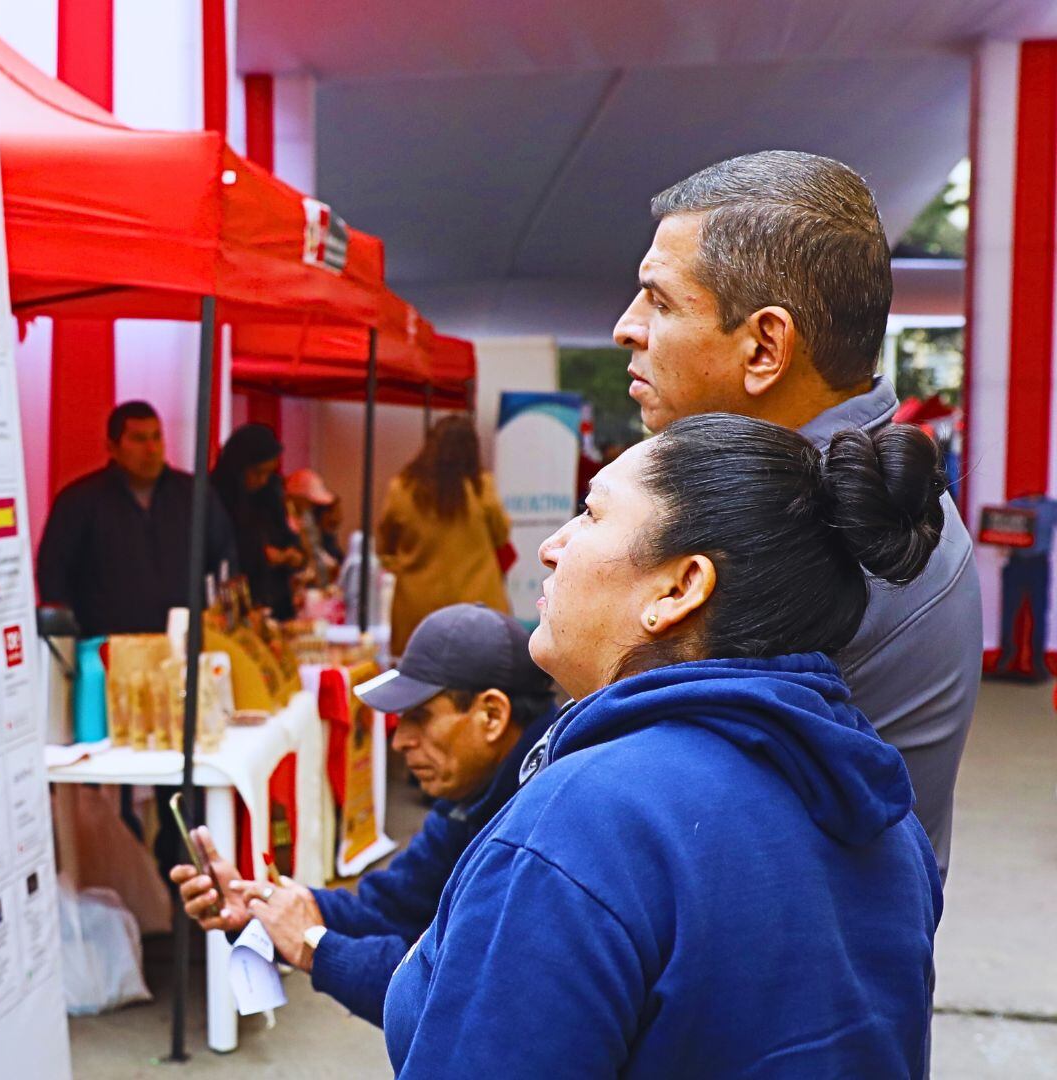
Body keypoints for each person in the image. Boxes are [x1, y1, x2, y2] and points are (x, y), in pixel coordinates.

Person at [384, 414, 945, 1077]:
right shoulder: (885, 813)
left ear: (679, 589)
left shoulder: (584, 824)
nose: (553, 546)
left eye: (591, 515)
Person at [615, 150, 980, 874]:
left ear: (765, 347)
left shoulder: (806, 533)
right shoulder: (868, 493)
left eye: (659, 301)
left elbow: (646, 790)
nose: (627, 327)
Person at [168, 604, 557, 1027]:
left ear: (492, 715)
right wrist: (267, 905)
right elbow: (390, 907)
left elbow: (451, 988)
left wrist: (311, 944)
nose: (400, 741)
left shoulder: (542, 824)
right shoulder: (475, 796)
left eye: (420, 717)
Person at [35, 401, 236, 637]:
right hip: (107, 648)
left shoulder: (195, 495)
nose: (151, 449)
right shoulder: (80, 501)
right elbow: (53, 572)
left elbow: (225, 561)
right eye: (139, 439)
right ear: (112, 447)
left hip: (183, 644)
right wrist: (71, 638)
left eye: (157, 437)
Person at [375, 415, 514, 653]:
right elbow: (501, 534)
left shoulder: (402, 489)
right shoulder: (482, 487)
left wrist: (401, 564)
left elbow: (384, 546)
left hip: (417, 613)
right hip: (479, 610)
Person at [210, 424, 303, 619]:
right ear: (239, 468)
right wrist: (260, 555)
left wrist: (293, 555)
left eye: (268, 473)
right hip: (237, 608)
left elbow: (289, 535)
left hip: (276, 604)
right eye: (257, 472)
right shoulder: (218, 498)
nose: (262, 480)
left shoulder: (270, 495)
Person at [284, 468, 342, 588]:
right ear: (297, 497)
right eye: (309, 501)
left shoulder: (306, 520)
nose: (312, 505)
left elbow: (316, 552)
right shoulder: (284, 522)